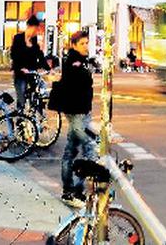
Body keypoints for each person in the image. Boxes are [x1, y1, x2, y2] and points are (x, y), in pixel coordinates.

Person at [48, 30, 95, 208]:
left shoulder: (81, 61)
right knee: (85, 149)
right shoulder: (73, 62)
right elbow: (74, 86)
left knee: (71, 152)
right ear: (74, 45)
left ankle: (73, 190)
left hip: (82, 111)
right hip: (77, 112)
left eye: (87, 43)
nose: (86, 46)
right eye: (82, 43)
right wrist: (91, 141)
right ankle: (71, 191)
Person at [10, 15, 46, 111]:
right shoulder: (18, 38)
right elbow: (14, 55)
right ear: (30, 27)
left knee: (37, 95)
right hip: (20, 73)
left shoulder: (34, 41)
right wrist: (21, 68)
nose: (36, 32)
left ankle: (35, 116)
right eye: (36, 29)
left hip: (31, 72)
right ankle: (20, 119)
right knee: (21, 96)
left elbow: (39, 54)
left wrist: (47, 68)